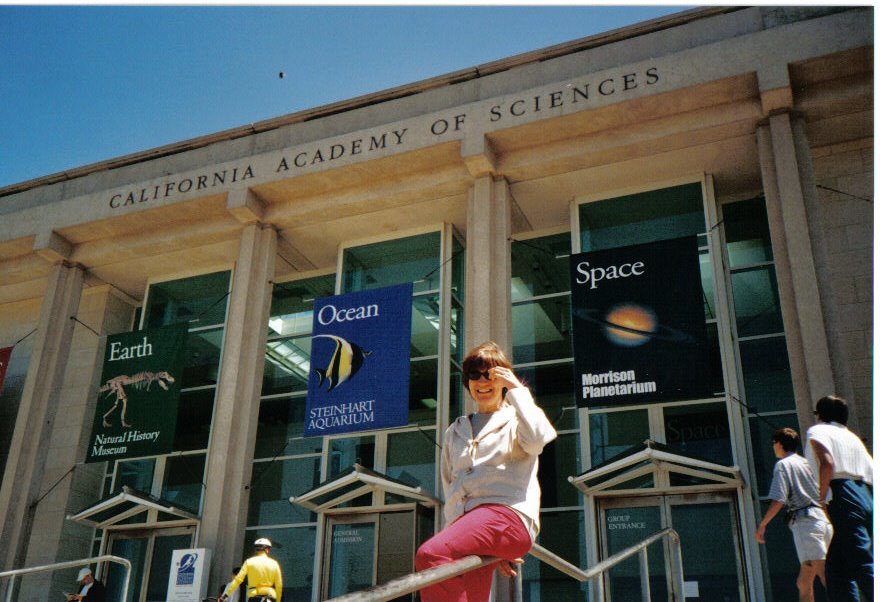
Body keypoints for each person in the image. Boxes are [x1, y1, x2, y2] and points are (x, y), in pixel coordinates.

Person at [415, 341, 557, 602]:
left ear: (503, 380)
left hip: (506, 516)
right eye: (474, 375)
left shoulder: (517, 420)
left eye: (490, 374)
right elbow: (451, 485)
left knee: (431, 554)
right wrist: (462, 536)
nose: (482, 380)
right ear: (467, 383)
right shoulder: (455, 430)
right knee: (470, 592)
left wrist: (517, 389)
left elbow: (538, 439)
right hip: (474, 528)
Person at [806, 394, 874, 601]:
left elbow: (827, 463)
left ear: (820, 415)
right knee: (836, 569)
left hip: (840, 494)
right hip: (864, 493)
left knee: (860, 561)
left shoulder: (817, 430)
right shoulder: (852, 437)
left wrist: (820, 499)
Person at [755, 427, 831, 602]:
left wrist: (762, 525)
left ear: (779, 444)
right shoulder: (805, 463)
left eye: (773, 443)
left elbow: (779, 499)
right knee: (804, 582)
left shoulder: (783, 465)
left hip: (806, 523)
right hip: (821, 519)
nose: (773, 447)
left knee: (825, 574)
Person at [220, 538, 283, 602]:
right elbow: (279, 585)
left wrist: (225, 595)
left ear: (256, 550)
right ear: (267, 550)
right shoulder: (274, 564)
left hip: (254, 597)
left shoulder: (249, 562)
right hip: (270, 597)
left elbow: (237, 580)